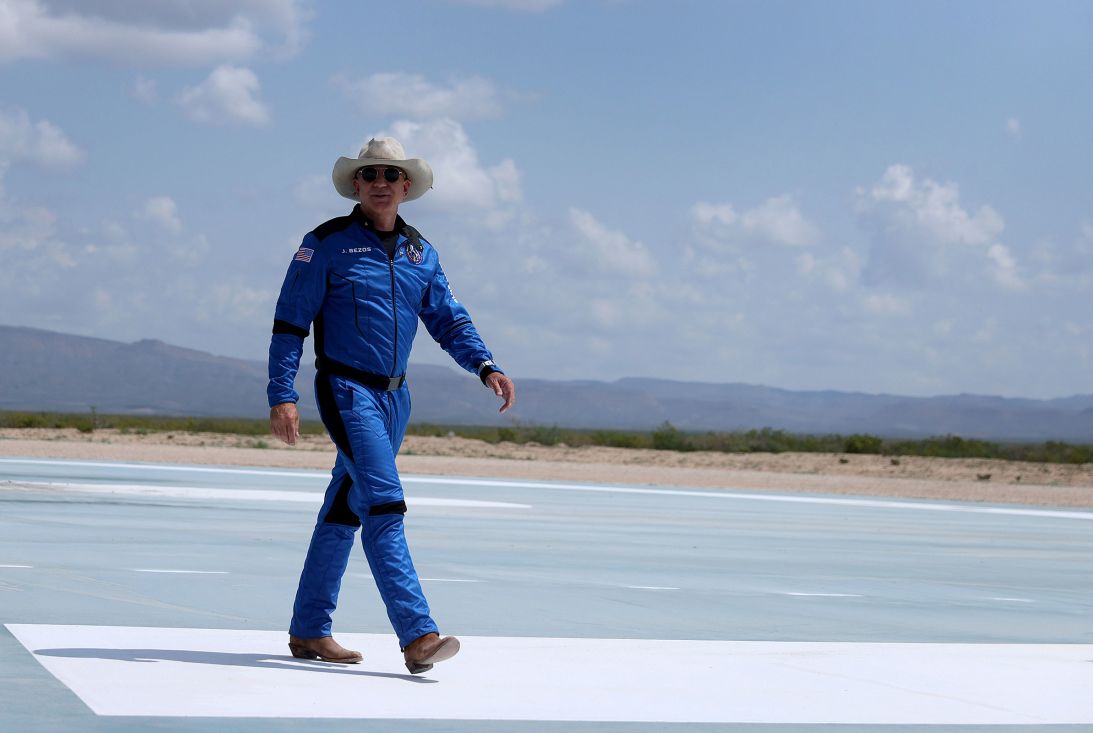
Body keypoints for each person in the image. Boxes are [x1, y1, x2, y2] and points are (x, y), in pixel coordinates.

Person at [266, 137, 515, 674]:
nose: (381, 182)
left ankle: (309, 629)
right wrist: (282, 393)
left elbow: (447, 318)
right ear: (356, 185)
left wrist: (485, 365)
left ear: (407, 186)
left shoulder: (421, 253)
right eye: (370, 173)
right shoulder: (325, 244)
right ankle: (417, 634)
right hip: (346, 390)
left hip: (395, 398)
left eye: (391, 174)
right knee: (384, 504)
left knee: (341, 511)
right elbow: (290, 324)